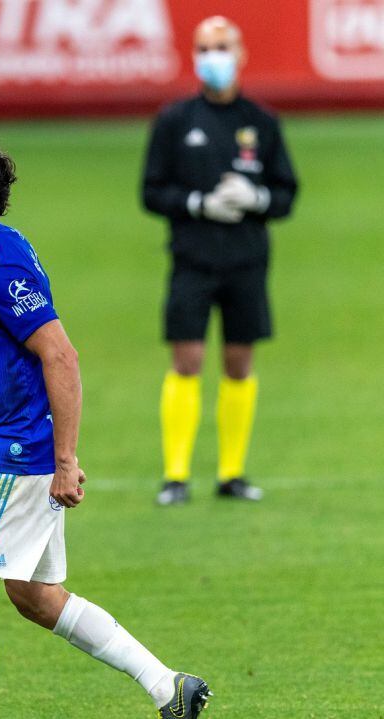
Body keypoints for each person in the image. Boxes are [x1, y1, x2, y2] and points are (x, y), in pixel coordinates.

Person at [0, 139, 211, 719]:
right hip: (23, 447)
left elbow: (61, 356)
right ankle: (168, 686)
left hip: (16, 454)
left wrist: (65, 459)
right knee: (33, 595)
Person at [142, 16, 299, 506]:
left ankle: (231, 473)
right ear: (194, 55)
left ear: (241, 53)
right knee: (186, 359)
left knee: (238, 361)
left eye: (221, 47)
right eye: (204, 48)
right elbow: (151, 191)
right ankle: (176, 475)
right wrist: (197, 204)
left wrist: (255, 198)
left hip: (246, 261)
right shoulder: (174, 121)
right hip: (191, 258)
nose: (213, 57)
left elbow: (286, 194)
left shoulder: (263, 122)